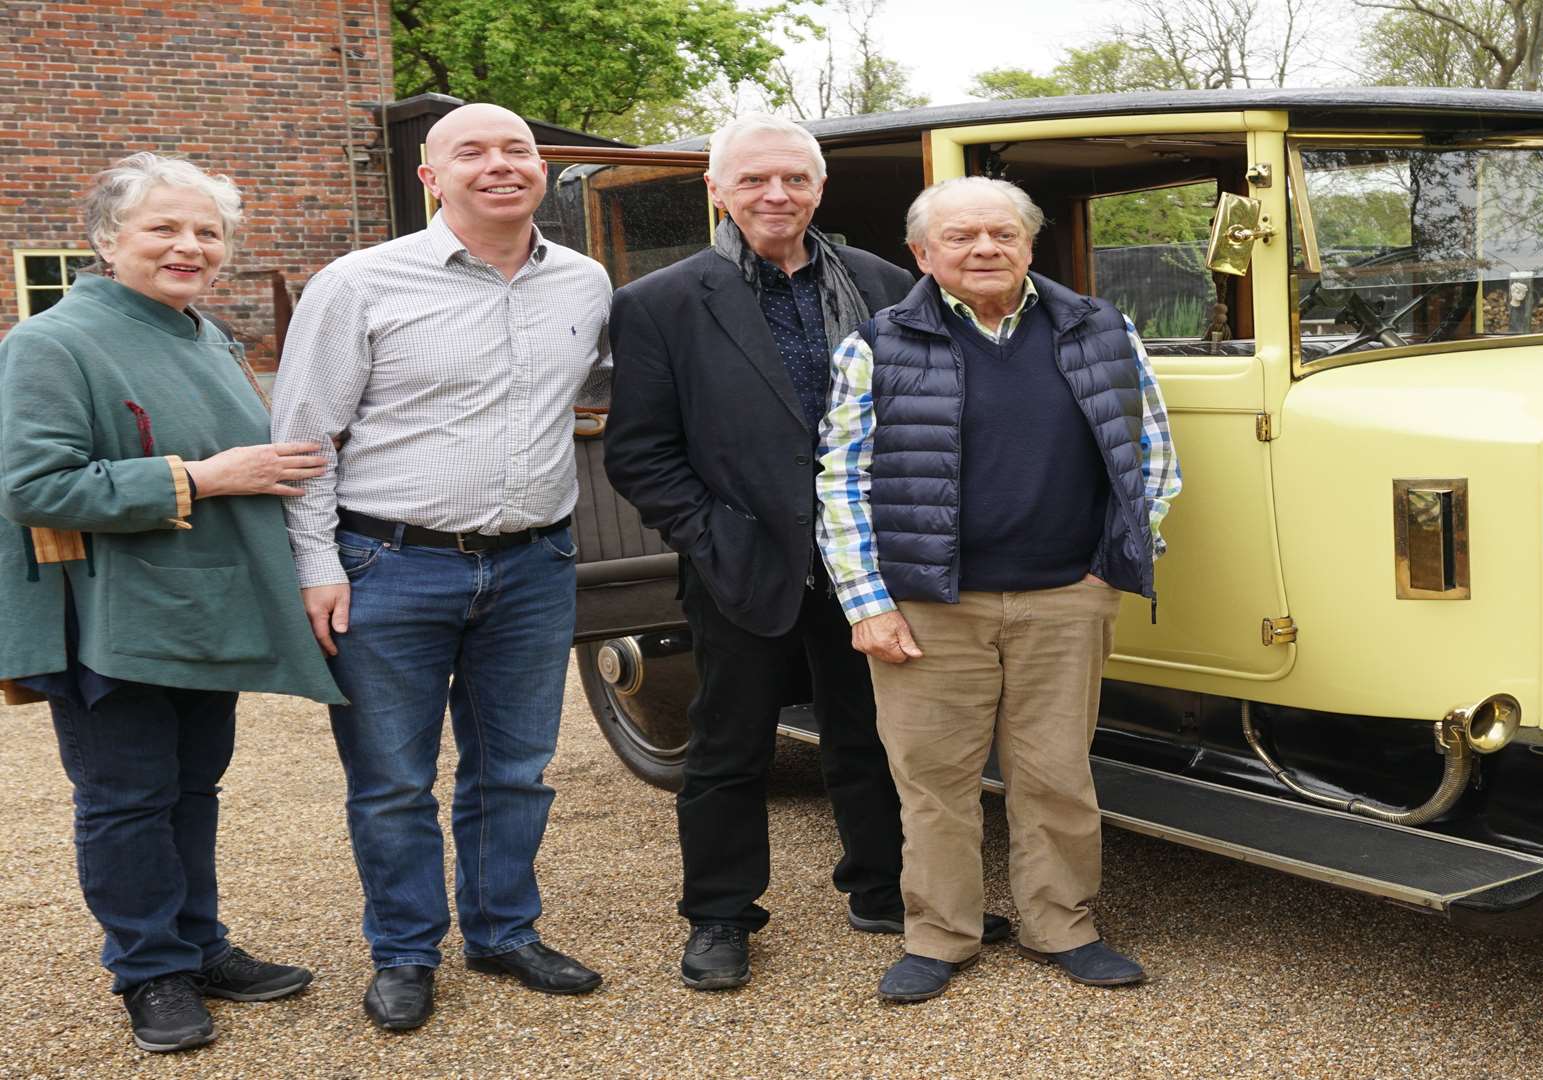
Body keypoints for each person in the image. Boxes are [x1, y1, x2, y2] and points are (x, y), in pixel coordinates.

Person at [605, 113, 990, 992]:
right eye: (753, 180)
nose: (775, 195)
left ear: (819, 188)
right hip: (742, 559)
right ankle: (720, 916)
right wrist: (712, 536)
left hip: (871, 559)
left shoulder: (887, 280)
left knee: (872, 735)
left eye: (793, 179)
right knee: (728, 747)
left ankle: (884, 889)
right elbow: (640, 451)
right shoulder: (662, 302)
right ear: (718, 191)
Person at [271, 103, 609, 1031]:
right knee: (391, 779)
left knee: (517, 769)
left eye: (518, 150)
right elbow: (304, 437)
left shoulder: (585, 284)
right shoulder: (359, 283)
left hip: (536, 563)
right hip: (388, 561)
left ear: (542, 169)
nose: (499, 165)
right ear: (431, 177)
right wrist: (316, 564)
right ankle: (405, 951)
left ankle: (503, 932)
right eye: (473, 151)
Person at [0, 153, 341, 1052]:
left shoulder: (207, 337)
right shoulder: (51, 341)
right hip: (109, 616)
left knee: (193, 788)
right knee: (125, 798)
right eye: (164, 229)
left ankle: (199, 945)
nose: (190, 247)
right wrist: (203, 477)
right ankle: (149, 972)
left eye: (207, 232)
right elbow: (34, 486)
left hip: (204, 605)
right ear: (108, 239)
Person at [816, 176, 1182, 1003]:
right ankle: (940, 935)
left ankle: (1064, 926)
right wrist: (867, 601)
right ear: (921, 253)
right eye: (961, 237)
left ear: (1028, 244)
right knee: (933, 782)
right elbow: (842, 480)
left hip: (1065, 599)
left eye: (1001, 234)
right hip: (928, 605)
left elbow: (1151, 455)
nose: (984, 249)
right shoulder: (879, 342)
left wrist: (1113, 563)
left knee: (1056, 774)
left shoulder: (1099, 330)